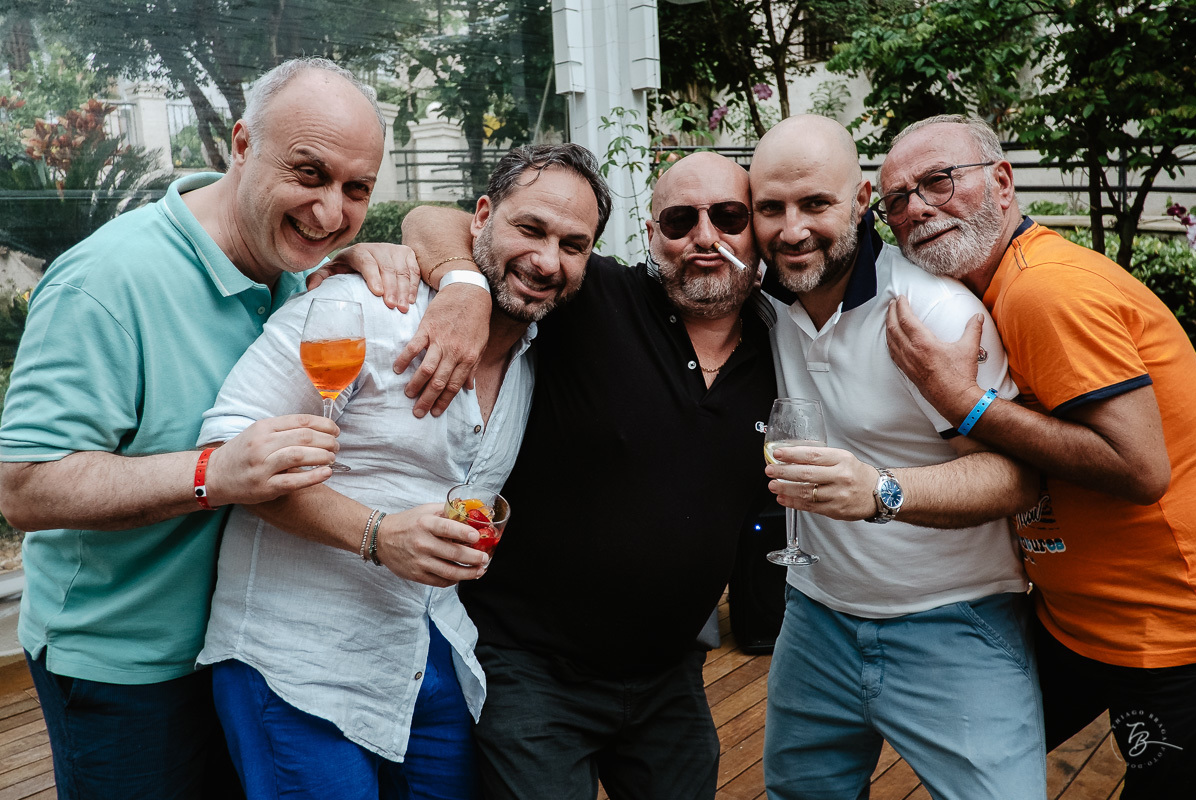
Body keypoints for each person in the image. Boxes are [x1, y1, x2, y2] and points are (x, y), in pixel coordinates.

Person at [0, 58, 391, 798]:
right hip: (128, 668)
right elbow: (24, 488)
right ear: (241, 144)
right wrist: (216, 471)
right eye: (309, 173)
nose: (330, 213)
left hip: (253, 653)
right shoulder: (105, 280)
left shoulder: (302, 275)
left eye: (356, 189)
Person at [194, 143, 607, 800]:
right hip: (299, 666)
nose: (546, 260)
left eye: (573, 245)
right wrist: (376, 534)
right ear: (481, 217)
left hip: (433, 656)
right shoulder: (363, 308)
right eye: (530, 228)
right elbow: (226, 448)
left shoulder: (539, 356)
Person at [398, 150, 778, 800]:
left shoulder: (783, 341)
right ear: (652, 234)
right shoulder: (593, 294)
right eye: (680, 220)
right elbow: (433, 219)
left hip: (670, 675)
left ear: (755, 232)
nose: (705, 236)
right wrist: (462, 285)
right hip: (532, 670)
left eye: (728, 217)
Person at [880, 114, 1196, 799]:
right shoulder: (983, 293)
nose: (916, 208)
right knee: (981, 770)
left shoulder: (1043, 289)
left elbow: (1140, 468)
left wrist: (961, 401)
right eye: (896, 200)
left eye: (939, 181)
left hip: (1164, 625)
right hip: (1072, 620)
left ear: (1003, 182)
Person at [750, 115, 1045, 800]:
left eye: (815, 203)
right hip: (815, 617)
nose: (792, 230)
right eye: (771, 208)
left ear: (861, 201)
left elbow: (1016, 478)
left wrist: (882, 491)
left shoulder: (929, 311)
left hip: (953, 622)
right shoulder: (760, 301)